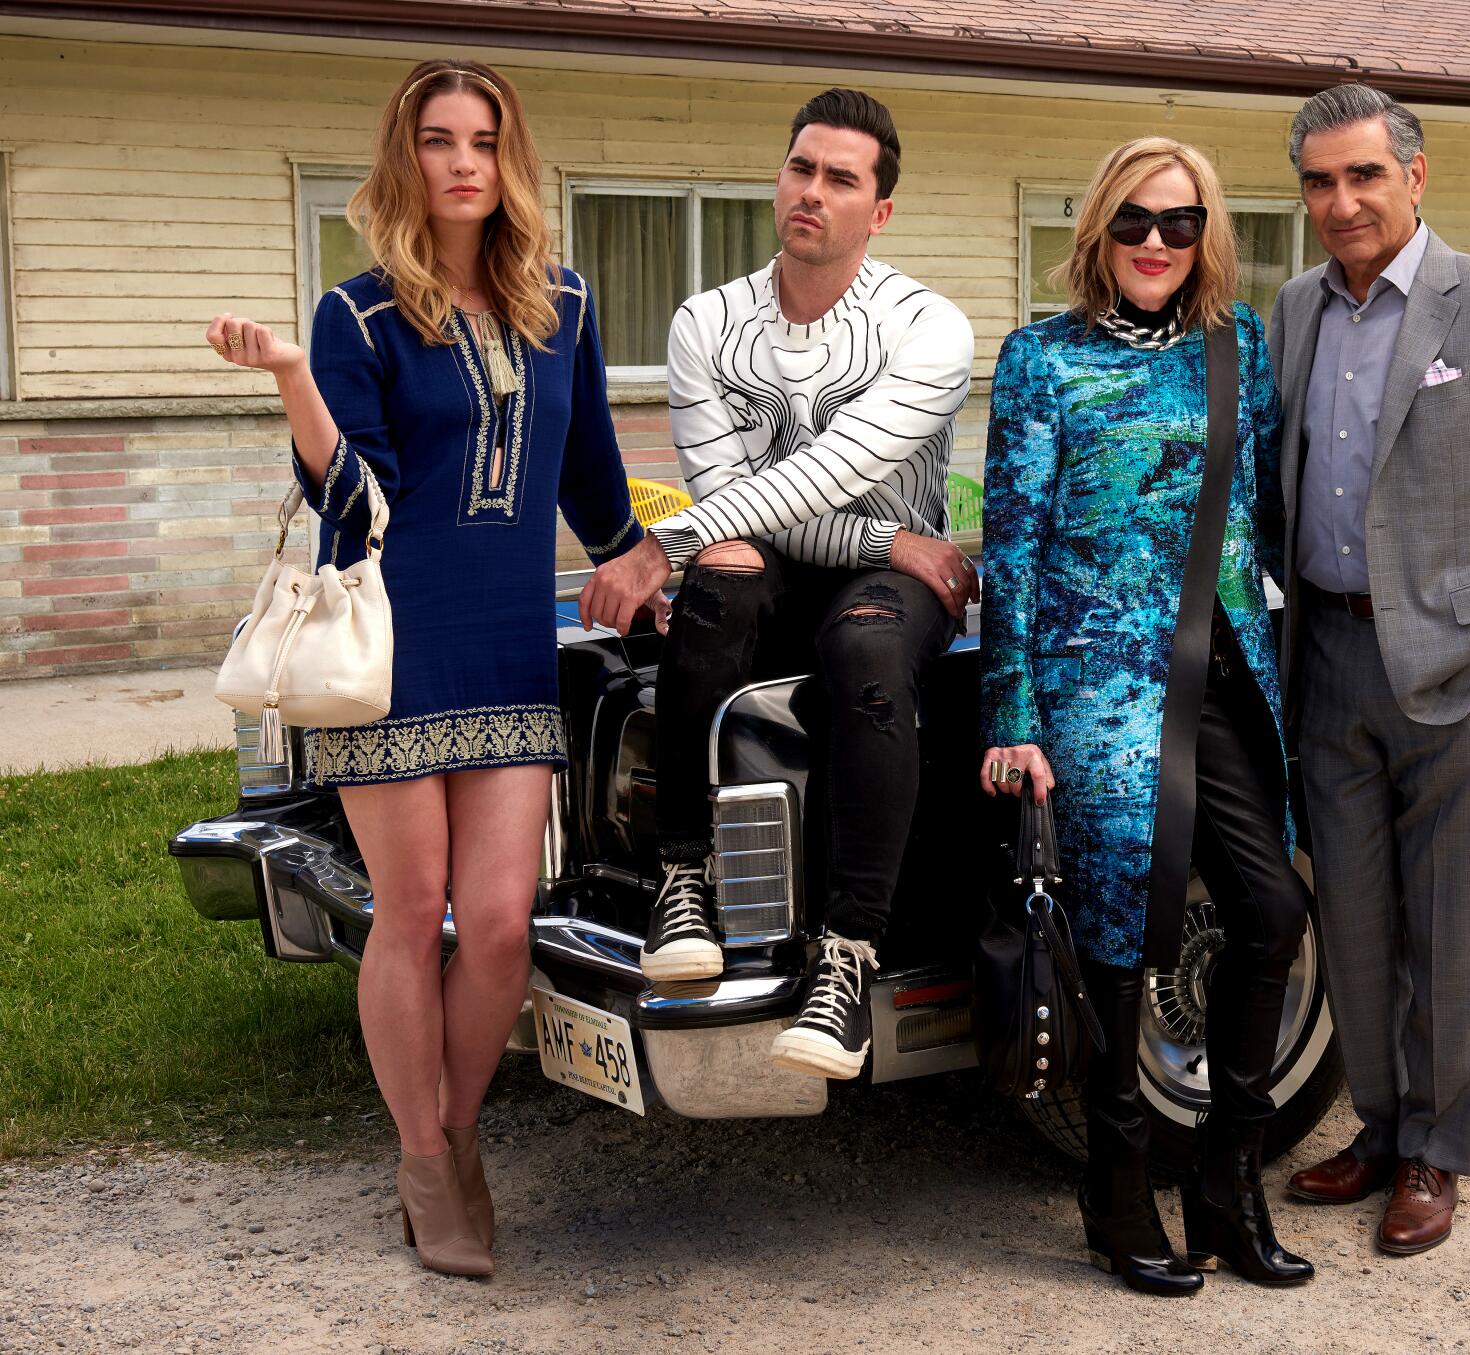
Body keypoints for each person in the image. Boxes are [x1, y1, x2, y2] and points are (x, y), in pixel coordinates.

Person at [204, 59, 665, 1277]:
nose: (462, 160)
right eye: (437, 139)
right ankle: (424, 1154)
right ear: (403, 159)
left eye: (483, 139)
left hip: (514, 652)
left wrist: (654, 555)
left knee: (504, 925)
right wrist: (297, 385)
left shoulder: (561, 301)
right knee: (412, 916)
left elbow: (593, 478)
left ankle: (456, 1133)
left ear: (507, 160)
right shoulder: (353, 319)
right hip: (392, 653)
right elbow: (357, 510)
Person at [981, 137, 1313, 1297]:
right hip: (1094, 676)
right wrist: (1009, 710)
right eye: (1133, 222)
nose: (1156, 243)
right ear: (1096, 232)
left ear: (1206, 234)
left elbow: (1259, 525)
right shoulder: (1039, 361)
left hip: (1219, 671)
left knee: (1269, 910)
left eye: (1178, 223)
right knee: (1123, 927)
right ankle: (1117, 1189)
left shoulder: (1238, 350)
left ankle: (1225, 1183)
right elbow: (1008, 549)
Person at [1269, 84, 1470, 1255]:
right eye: (1319, 181)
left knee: (1450, 931)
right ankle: (1377, 1124)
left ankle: (1437, 1151)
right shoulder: (1294, 308)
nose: (1341, 201)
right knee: (1352, 922)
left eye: (1362, 175)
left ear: (1414, 176)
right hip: (1328, 660)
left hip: (1458, 673)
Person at [615, 89, 977, 1082]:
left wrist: (665, 543)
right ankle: (681, 878)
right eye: (800, 168)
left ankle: (847, 963)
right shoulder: (706, 322)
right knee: (720, 580)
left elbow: (822, 471)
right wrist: (883, 536)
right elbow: (734, 502)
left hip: (880, 592)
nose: (811, 192)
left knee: (861, 648)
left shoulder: (927, 328)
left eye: (841, 179)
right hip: (832, 556)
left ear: (880, 209)